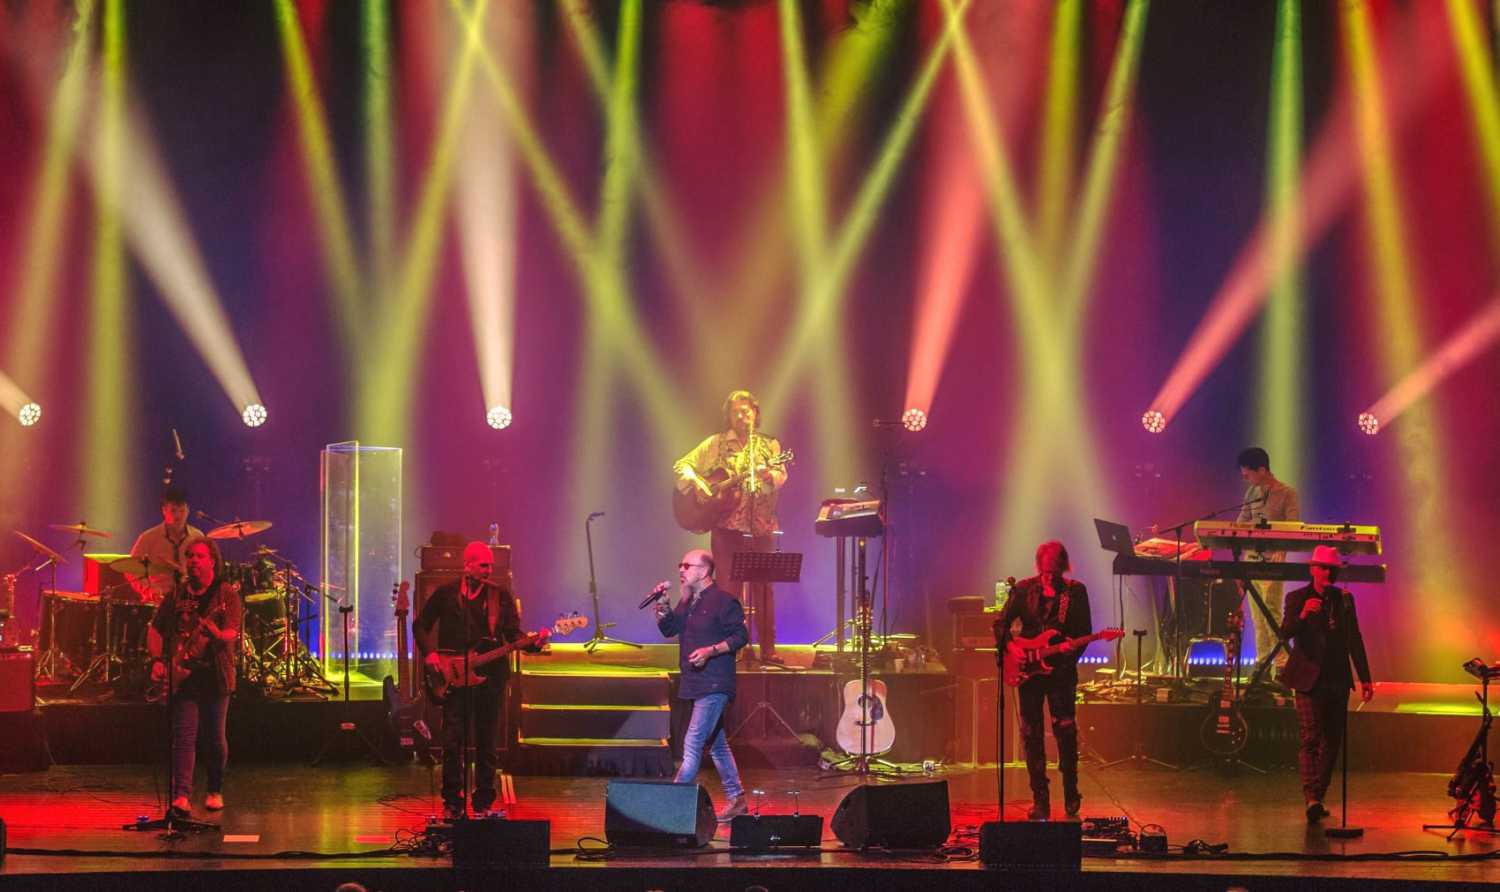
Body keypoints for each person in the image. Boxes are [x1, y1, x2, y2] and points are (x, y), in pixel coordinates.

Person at [413, 541, 544, 820]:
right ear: (468, 565)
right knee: (452, 741)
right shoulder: (446, 593)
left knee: (487, 743)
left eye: (490, 566)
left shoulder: (500, 596)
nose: (488, 570)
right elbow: (420, 625)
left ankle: (483, 802)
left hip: (490, 679)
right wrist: (430, 654)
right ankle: (452, 802)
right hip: (454, 678)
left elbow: (513, 634)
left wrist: (534, 643)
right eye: (483, 565)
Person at [673, 390, 788, 663]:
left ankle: (768, 650)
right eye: (736, 411)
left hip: (761, 527)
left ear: (756, 413)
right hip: (726, 529)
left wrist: (766, 474)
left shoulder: (769, 446)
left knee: (764, 590)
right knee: (727, 590)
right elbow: (682, 465)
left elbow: (780, 476)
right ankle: (727, 649)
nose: (741, 415)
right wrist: (701, 485)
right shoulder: (716, 443)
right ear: (729, 416)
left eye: (746, 410)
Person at [993, 541, 1093, 820]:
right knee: (1031, 734)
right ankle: (1040, 800)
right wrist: (1012, 647)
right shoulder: (1024, 589)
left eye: (1054, 567)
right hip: (1029, 673)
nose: (1049, 573)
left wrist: (1069, 652)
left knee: (1066, 730)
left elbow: (1085, 631)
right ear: (1039, 565)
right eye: (1045, 567)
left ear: (1063, 565)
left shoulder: (1075, 592)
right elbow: (1000, 623)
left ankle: (1071, 791)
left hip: (1061, 672)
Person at [147, 535, 242, 818]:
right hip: (184, 676)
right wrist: (156, 660)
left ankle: (215, 790)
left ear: (212, 561)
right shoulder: (177, 595)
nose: (193, 562)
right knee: (184, 736)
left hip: (215, 675)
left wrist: (216, 633)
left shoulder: (226, 594)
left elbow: (232, 633)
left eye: (199, 556)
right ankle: (182, 796)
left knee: (214, 736)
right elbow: (155, 629)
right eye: (190, 557)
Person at [1279, 545, 1374, 823]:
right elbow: (1284, 633)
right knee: (1310, 737)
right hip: (1308, 679)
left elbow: (1354, 638)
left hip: (1337, 679)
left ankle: (1317, 796)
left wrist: (1365, 677)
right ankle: (1311, 797)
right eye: (1321, 568)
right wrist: (1304, 615)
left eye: (1330, 569)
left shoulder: (1344, 599)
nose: (1326, 573)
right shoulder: (1297, 598)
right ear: (1312, 569)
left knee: (1332, 741)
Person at [655, 548, 750, 822]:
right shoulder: (689, 602)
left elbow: (740, 636)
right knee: (717, 745)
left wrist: (711, 650)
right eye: (680, 564)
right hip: (696, 682)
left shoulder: (724, 601)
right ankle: (737, 799)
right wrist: (662, 604)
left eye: (687, 565)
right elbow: (669, 629)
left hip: (715, 683)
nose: (681, 570)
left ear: (704, 571)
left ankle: (672, 806)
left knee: (693, 742)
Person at [1235, 447, 1300, 669]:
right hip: (1251, 560)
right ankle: (1262, 665)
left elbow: (1293, 528)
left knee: (1271, 610)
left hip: (1274, 560)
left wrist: (1282, 549)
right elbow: (1240, 525)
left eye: (1248, 473)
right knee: (1257, 617)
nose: (1245, 477)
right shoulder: (1251, 494)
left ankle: (1281, 665)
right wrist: (1241, 564)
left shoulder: (1288, 493)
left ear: (1262, 470)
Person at [128, 486, 204, 603]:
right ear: (164, 510)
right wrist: (149, 590)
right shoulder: (148, 537)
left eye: (182, 510)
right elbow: (130, 569)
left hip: (189, 601)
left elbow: (205, 569)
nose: (178, 515)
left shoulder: (197, 537)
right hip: (158, 601)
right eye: (173, 510)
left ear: (188, 510)